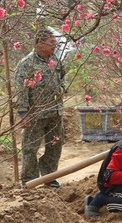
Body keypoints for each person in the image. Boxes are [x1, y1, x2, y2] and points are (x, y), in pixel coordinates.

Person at [15, 29, 66, 188]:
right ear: (39, 44)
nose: (55, 46)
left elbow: (63, 77)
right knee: (30, 149)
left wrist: (62, 89)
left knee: (55, 145)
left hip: (55, 113)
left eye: (55, 43)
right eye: (51, 43)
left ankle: (49, 177)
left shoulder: (55, 60)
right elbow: (21, 89)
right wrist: (24, 114)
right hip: (35, 115)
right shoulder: (27, 63)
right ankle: (29, 182)